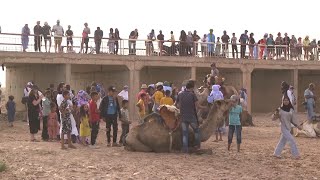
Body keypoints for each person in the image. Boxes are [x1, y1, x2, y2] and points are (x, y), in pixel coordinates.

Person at [175, 80, 206, 153]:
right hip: (191, 117)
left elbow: (176, 105)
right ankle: (197, 146)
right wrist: (204, 108)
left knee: (185, 133)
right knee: (197, 131)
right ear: (192, 88)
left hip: (183, 117)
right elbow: (198, 105)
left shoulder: (180, 94)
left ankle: (185, 148)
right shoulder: (192, 95)